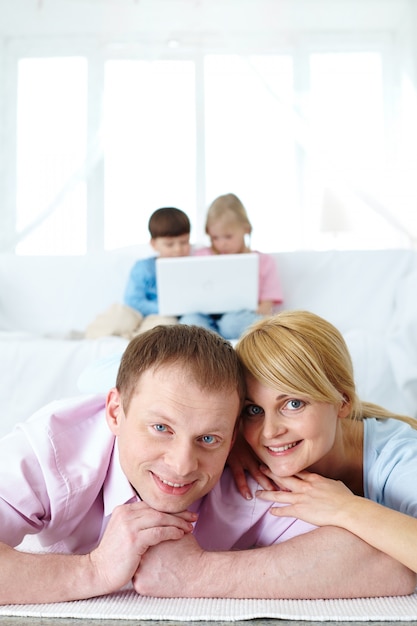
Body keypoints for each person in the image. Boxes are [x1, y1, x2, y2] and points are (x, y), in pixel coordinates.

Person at [1, 327, 414, 605]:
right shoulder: (52, 448)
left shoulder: (253, 469)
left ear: (233, 436)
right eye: (161, 428)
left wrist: (200, 574)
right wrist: (93, 571)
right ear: (115, 412)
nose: (182, 466)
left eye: (208, 439)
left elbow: (389, 563)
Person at [230, 309, 417, 574]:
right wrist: (228, 443)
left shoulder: (402, 459)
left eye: (293, 404)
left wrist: (346, 508)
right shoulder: (244, 440)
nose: (269, 432)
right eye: (254, 410)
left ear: (342, 402)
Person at [179, 193, 283, 339]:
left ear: (246, 229)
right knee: (189, 322)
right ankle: (211, 343)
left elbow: (267, 305)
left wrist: (260, 314)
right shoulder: (200, 256)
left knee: (233, 323)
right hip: (205, 316)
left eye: (228, 236)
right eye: (215, 238)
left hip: (239, 317)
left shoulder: (263, 261)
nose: (222, 243)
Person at [85, 207, 191, 339]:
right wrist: (163, 307)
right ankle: (92, 335)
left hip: (162, 317)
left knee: (166, 324)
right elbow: (133, 300)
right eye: (169, 245)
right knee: (119, 316)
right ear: (154, 244)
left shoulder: (191, 267)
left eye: (184, 242)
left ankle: (133, 338)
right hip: (136, 313)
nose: (178, 249)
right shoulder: (144, 267)